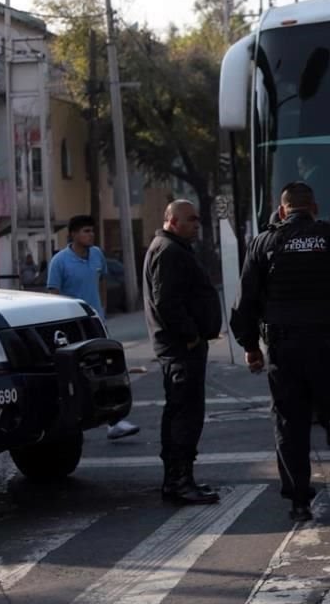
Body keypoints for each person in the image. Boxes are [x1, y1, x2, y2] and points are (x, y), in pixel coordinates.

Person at [230, 181, 330, 523]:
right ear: (315, 208)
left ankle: (299, 501)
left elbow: (245, 302)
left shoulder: (264, 243)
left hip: (285, 348)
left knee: (290, 424)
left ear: (282, 210)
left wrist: (250, 347)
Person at [143, 200, 222, 506]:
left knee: (183, 414)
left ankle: (180, 479)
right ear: (173, 221)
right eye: (191, 219)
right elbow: (166, 302)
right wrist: (190, 335)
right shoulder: (168, 251)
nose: (196, 224)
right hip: (180, 349)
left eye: (198, 219)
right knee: (184, 417)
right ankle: (179, 482)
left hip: (181, 348)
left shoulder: (173, 248)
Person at [48, 215, 140, 441]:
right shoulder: (59, 261)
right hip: (72, 327)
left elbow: (101, 281)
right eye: (85, 231)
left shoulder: (97, 254)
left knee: (108, 371)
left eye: (91, 230)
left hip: (96, 322)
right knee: (76, 376)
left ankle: (115, 422)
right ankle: (71, 424)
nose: (90, 235)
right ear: (73, 234)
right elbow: (53, 294)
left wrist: (102, 309)